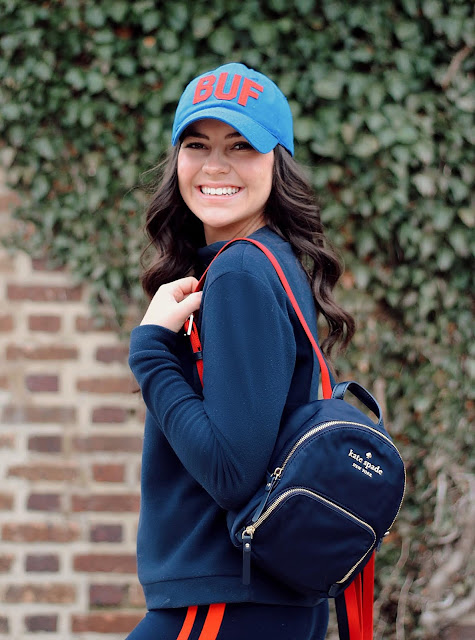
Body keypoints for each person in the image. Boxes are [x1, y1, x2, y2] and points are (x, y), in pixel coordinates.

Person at [127, 62, 355, 640]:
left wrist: (151, 354)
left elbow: (231, 472)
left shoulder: (242, 271)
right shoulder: (267, 261)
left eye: (241, 146)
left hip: (226, 602)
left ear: (278, 162)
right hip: (254, 600)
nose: (215, 165)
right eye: (197, 144)